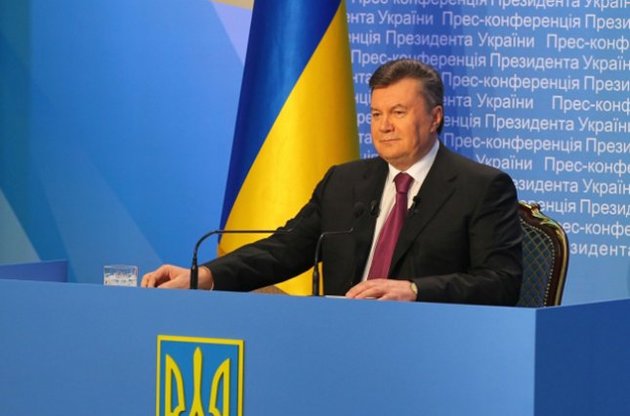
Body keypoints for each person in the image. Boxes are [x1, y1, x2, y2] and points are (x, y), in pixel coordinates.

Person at [142, 59, 522, 305]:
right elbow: (285, 249)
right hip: (337, 341)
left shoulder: (480, 187)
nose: (384, 126)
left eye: (398, 112)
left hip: (432, 345)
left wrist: (414, 290)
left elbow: (501, 282)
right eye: (376, 114)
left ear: (435, 117)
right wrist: (205, 276)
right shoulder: (345, 181)